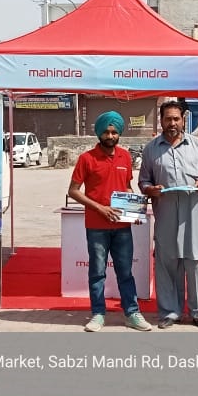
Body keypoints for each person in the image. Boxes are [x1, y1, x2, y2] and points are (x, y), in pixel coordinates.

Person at [67, 111, 152, 332]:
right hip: (96, 226)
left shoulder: (125, 156)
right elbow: (74, 191)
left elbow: (126, 187)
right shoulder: (87, 158)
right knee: (97, 272)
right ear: (99, 133)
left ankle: (132, 313)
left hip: (122, 227)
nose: (110, 135)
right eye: (106, 131)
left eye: (114, 132)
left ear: (119, 133)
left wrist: (135, 211)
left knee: (125, 271)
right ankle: (97, 314)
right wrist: (100, 208)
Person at [139, 100, 198, 329]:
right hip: (166, 214)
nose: (172, 123)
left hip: (193, 213)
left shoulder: (197, 145)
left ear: (183, 120)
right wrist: (150, 189)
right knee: (167, 264)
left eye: (176, 118)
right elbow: (143, 181)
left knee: (194, 264)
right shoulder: (151, 149)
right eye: (167, 119)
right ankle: (170, 312)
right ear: (161, 121)